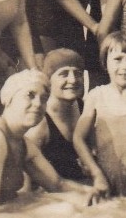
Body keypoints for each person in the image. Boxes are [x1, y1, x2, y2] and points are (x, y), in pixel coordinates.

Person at [0, 69, 100, 217]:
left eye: (44, 99)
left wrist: (94, 192)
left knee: (79, 202)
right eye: (30, 95)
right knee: (66, 209)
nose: (38, 104)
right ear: (8, 99)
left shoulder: (22, 143)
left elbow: (57, 185)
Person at [72, 32, 126, 197]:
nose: (125, 66)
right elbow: (78, 138)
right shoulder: (96, 96)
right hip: (105, 181)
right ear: (105, 62)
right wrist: (96, 174)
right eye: (118, 59)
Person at [25, 49, 92, 185]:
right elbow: (26, 175)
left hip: (84, 187)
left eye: (77, 73)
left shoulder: (86, 108)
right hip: (54, 196)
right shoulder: (39, 122)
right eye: (64, 74)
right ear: (49, 80)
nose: (73, 80)